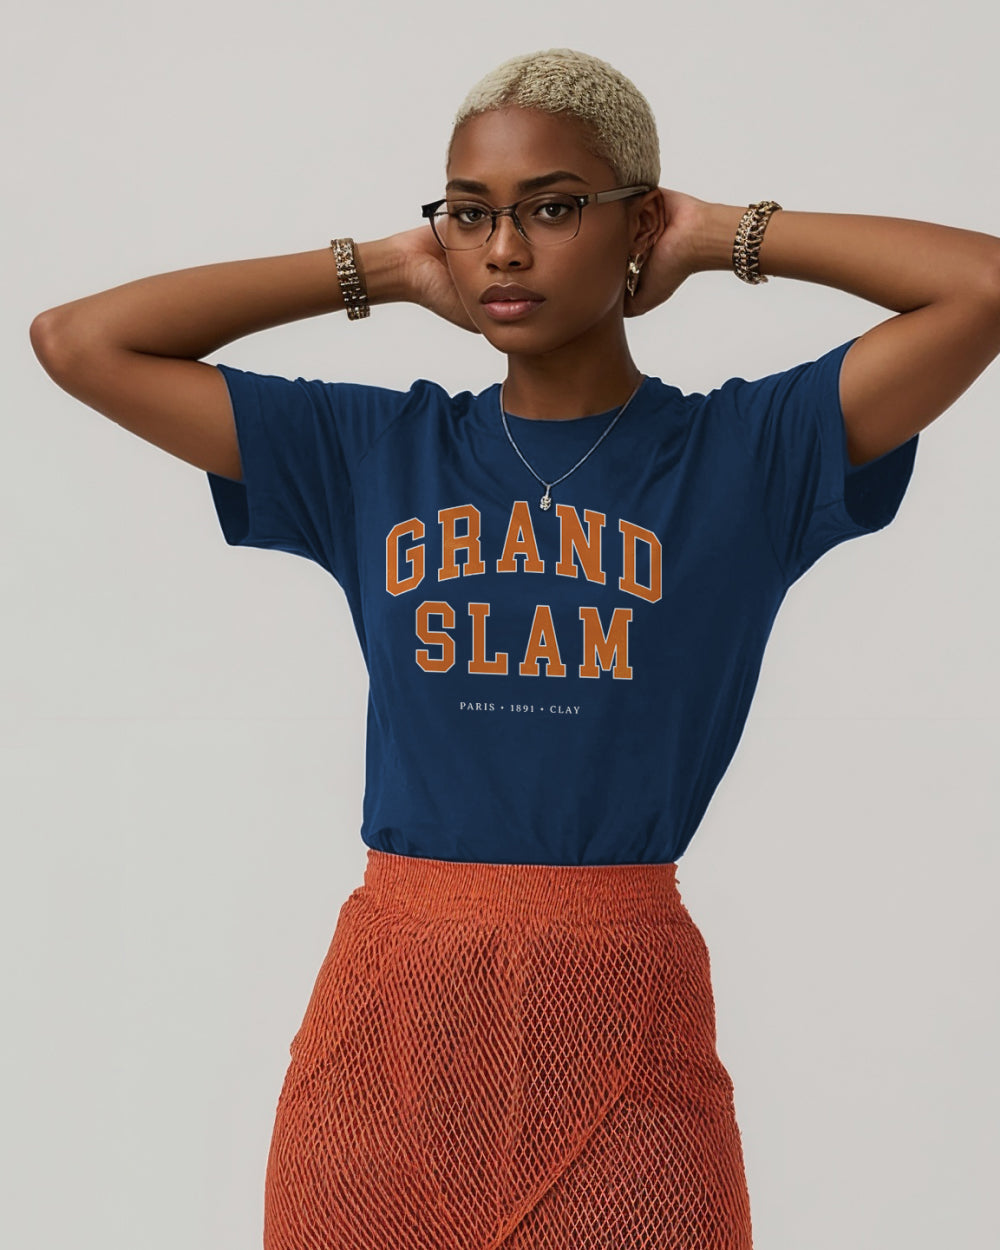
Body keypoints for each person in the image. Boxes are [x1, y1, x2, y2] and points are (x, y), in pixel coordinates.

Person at [29, 44, 1000, 1250]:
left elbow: (982, 288)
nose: (502, 250)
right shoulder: (371, 452)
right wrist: (380, 268)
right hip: (386, 1041)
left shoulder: (748, 456)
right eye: (470, 215)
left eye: (553, 209)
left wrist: (717, 237)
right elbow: (78, 340)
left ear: (635, 218)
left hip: (627, 1047)